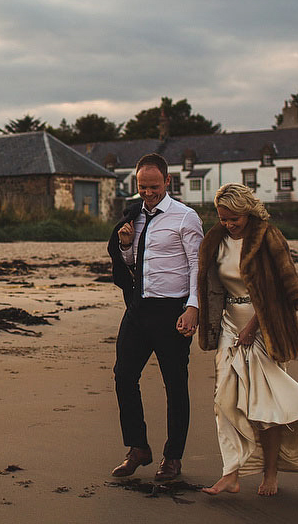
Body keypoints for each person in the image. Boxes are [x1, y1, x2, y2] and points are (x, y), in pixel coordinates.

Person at [197, 183, 298, 496]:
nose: (228, 224)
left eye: (233, 218)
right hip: (228, 325)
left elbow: (283, 286)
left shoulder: (267, 236)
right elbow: (211, 285)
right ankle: (231, 473)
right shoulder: (215, 239)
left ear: (247, 211)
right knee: (224, 402)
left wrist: (254, 326)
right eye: (223, 218)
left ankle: (270, 472)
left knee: (267, 407)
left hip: (266, 328)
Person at [107, 153, 203, 481]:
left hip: (172, 312)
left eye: (153, 187)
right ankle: (138, 448)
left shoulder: (185, 218)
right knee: (123, 377)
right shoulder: (135, 217)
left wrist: (193, 307)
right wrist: (124, 246)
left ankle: (172, 458)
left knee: (175, 385)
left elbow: (197, 266)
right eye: (141, 187)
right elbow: (135, 263)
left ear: (167, 182)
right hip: (138, 309)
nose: (147, 193)